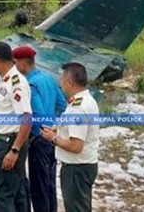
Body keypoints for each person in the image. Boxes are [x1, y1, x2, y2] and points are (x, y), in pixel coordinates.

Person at [41, 62, 99, 212]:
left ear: (69, 82)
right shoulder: (83, 100)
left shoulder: (79, 108)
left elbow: (76, 146)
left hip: (77, 168)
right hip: (81, 166)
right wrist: (57, 129)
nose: (60, 84)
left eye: (62, 80)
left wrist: (53, 138)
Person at [14, 46, 66, 212]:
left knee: (39, 188)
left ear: (22, 63)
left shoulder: (30, 84)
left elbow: (37, 115)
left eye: (15, 63)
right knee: (50, 185)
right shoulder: (49, 79)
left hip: (39, 140)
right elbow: (62, 105)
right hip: (51, 139)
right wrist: (55, 128)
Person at [0, 41, 31, 212]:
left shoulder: (16, 82)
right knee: (17, 192)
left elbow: (26, 118)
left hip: (9, 143)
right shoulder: (5, 81)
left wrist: (15, 149)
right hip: (3, 139)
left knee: (2, 194)